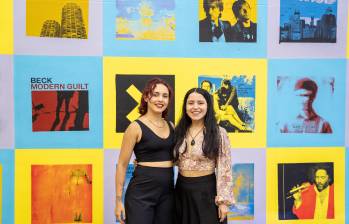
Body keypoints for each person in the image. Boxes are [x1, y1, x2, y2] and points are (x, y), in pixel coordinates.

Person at [114, 78, 175, 224]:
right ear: (146, 97)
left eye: (165, 96)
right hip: (141, 195)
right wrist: (118, 201)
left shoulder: (172, 126)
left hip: (168, 194)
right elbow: (122, 165)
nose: (160, 99)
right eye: (155, 94)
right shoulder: (135, 127)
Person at [174, 88, 234, 224]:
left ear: (208, 106)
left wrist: (223, 202)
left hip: (207, 192)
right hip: (181, 191)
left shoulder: (218, 132)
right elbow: (168, 157)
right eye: (190, 103)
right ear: (185, 107)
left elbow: (225, 168)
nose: (195, 107)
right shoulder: (178, 131)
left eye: (200, 103)